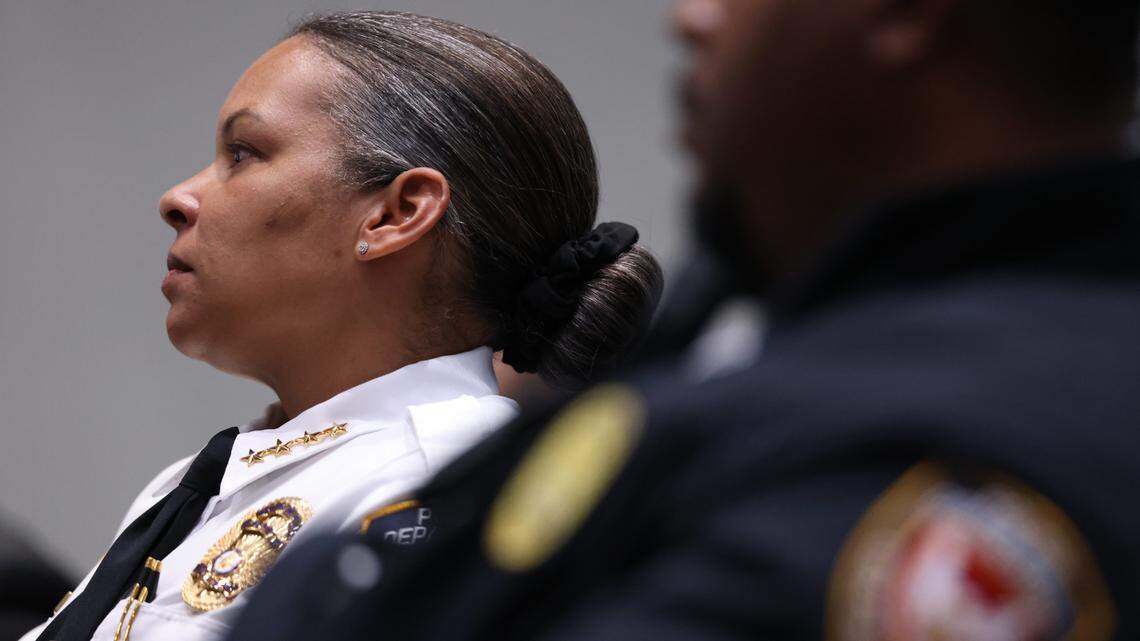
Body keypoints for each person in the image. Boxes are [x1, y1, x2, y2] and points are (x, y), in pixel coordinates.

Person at [226, 0, 1140, 640]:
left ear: (905, 9)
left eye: (244, 155)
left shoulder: (939, 442)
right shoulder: (782, 359)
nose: (689, 17)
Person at [20, 11, 662, 641]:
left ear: (395, 214)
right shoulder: (192, 484)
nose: (178, 198)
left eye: (243, 154)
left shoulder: (441, 492)